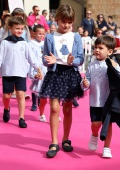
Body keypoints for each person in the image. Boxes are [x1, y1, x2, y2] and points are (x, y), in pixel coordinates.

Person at [39, 5, 84, 158]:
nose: (66, 25)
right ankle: (54, 141)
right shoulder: (50, 37)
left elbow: (80, 58)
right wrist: (50, 61)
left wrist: (73, 61)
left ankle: (66, 138)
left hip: (70, 74)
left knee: (68, 109)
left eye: (69, 22)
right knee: (54, 108)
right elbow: (45, 60)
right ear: (56, 19)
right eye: (63, 21)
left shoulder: (76, 37)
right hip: (55, 74)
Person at [81, 35, 120, 158]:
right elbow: (87, 80)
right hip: (95, 101)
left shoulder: (112, 64)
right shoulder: (91, 65)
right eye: (96, 47)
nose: (97, 50)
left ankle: (107, 147)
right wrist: (85, 84)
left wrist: (116, 66)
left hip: (109, 101)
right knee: (96, 124)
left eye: (101, 48)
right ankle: (94, 135)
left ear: (110, 52)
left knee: (108, 125)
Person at [0, 17, 42, 128]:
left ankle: (21, 118)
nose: (20, 31)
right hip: (7, 73)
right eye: (17, 28)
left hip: (21, 73)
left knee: (20, 95)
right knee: (7, 96)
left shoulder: (24, 43)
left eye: (21, 29)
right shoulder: (4, 43)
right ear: (10, 28)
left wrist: (38, 68)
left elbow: (32, 58)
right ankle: (6, 108)